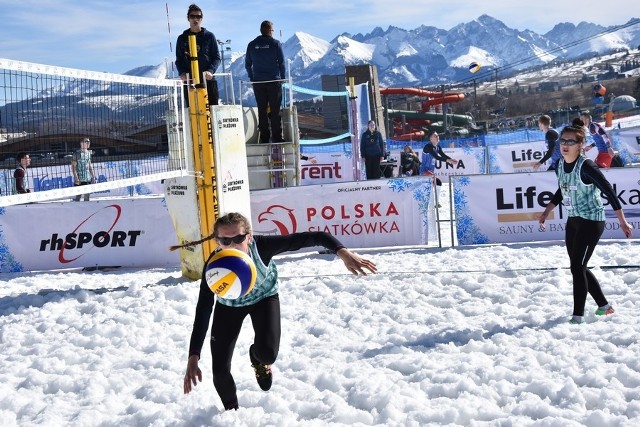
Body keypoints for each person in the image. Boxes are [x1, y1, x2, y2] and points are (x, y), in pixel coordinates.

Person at [178, 212, 377, 410]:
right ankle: (233, 415)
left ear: (249, 236)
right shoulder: (213, 267)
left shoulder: (263, 247)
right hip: (230, 307)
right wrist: (193, 356)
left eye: (238, 238)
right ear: (217, 241)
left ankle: (257, 359)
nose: (232, 245)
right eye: (225, 240)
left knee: (268, 354)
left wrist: (344, 253)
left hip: (264, 298)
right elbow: (203, 308)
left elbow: (315, 237)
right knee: (220, 372)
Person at [538, 122, 633, 325]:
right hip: (574, 221)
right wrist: (547, 210)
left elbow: (609, 191)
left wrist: (623, 222)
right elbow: (562, 190)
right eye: (562, 140)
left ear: (580, 145)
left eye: (570, 141)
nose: (565, 144)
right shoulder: (560, 165)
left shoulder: (587, 166)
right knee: (578, 266)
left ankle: (577, 316)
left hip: (592, 221)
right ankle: (604, 307)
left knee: (577, 266)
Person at [245, 20, 286, 144]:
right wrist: (282, 78)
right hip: (274, 82)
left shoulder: (251, 45)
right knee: (275, 110)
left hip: (258, 83)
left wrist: (252, 78)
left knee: (262, 110)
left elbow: (247, 64)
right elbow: (282, 63)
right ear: (269, 30)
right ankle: (277, 137)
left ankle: (264, 138)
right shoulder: (275, 44)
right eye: (272, 30)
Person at [175, 4, 221, 107]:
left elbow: (217, 57)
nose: (195, 19)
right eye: (192, 16)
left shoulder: (209, 36)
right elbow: (179, 60)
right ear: (188, 18)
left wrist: (211, 70)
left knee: (212, 111)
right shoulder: (182, 38)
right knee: (193, 112)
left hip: (208, 80)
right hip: (190, 81)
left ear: (201, 19)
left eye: (198, 16)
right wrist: (182, 73)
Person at [71, 137, 96, 201]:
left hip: (87, 178)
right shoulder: (77, 154)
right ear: (81, 143)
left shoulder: (88, 153)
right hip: (79, 178)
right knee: (78, 197)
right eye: (86, 142)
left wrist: (93, 176)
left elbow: (90, 165)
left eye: (89, 142)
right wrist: (76, 177)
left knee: (87, 197)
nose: (88, 143)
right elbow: (73, 167)